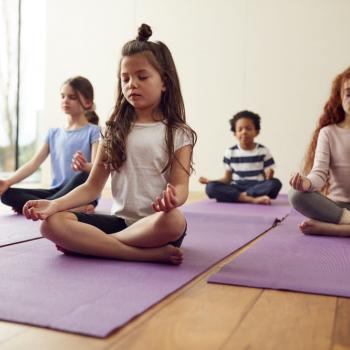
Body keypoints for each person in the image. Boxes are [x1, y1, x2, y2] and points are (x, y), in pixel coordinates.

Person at [23, 24, 197, 265]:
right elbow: (92, 187)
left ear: (164, 82)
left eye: (142, 77)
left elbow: (180, 185)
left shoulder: (179, 133)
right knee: (51, 224)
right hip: (120, 222)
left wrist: (173, 199)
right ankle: (136, 254)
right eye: (125, 78)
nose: (131, 84)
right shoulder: (114, 130)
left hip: (154, 225)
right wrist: (54, 204)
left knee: (175, 220)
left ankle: (95, 244)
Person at [0, 76, 100, 214]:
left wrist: (85, 166)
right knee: (7, 194)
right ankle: (58, 206)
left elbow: (96, 168)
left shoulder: (94, 131)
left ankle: (51, 205)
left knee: (83, 175)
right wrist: (8, 182)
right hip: (56, 191)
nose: (65, 100)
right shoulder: (53, 133)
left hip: (81, 191)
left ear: (87, 102)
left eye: (72, 97)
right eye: (63, 96)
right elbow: (33, 164)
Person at [289, 67, 350, 236]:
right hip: (335, 208)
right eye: (349, 93)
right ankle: (345, 224)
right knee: (296, 194)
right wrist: (306, 183)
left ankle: (331, 229)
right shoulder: (328, 132)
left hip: (335, 219)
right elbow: (319, 173)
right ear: (340, 97)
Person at [199, 110, 281, 205]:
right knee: (210, 187)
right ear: (235, 133)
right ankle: (250, 199)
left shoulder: (263, 151)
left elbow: (267, 176)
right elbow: (227, 179)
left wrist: (269, 174)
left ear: (257, 132)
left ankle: (239, 196)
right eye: (240, 129)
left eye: (248, 129)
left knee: (275, 183)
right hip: (236, 186)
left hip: (256, 187)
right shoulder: (230, 152)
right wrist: (211, 181)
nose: (244, 132)